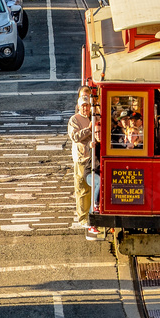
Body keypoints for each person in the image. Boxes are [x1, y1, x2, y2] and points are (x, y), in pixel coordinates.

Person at [68, 95, 92, 225]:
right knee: (82, 189)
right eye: (83, 106)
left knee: (92, 187)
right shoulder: (74, 119)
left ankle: (90, 214)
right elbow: (75, 137)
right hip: (81, 158)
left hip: (92, 157)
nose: (85, 108)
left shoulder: (92, 117)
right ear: (78, 107)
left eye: (87, 105)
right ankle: (83, 218)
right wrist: (88, 130)